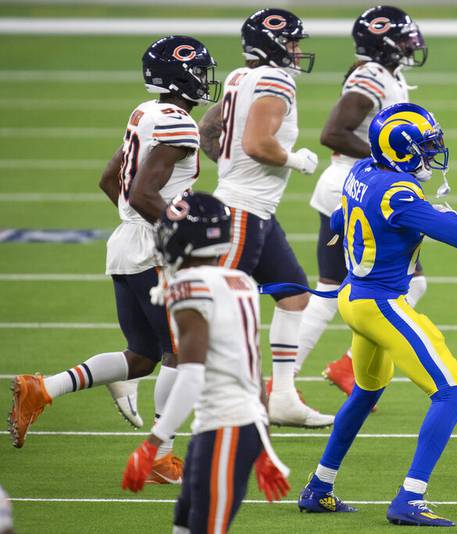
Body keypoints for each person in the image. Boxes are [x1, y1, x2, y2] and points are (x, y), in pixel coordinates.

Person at [8, 35, 220, 485]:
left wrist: (136, 225)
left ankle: (42, 389)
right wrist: (172, 236)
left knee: (142, 357)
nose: (205, 79)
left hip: (128, 243)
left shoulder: (147, 112)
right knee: (179, 353)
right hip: (152, 249)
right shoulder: (178, 125)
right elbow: (143, 192)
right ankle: (162, 458)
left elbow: (111, 180)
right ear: (179, 73)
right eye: (200, 71)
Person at [297, 103, 457, 527]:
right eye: (426, 146)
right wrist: (447, 214)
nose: (432, 153)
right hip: (382, 303)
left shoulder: (361, 170)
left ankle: (319, 487)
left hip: (353, 297)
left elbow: (342, 215)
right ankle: (410, 498)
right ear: (403, 150)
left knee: (366, 392)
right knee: (452, 391)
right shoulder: (400, 193)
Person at [121, 191, 290, 533]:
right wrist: (264, 445)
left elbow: (192, 374)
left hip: (226, 427)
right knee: (183, 525)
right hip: (227, 426)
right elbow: (253, 372)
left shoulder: (191, 285)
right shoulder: (240, 280)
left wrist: (155, 441)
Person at [197, 8, 332, 428]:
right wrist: (295, 160)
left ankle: (284, 398)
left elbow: (208, 129)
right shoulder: (275, 79)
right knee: (220, 311)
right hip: (242, 211)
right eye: (292, 42)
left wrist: (229, 165)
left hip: (256, 209)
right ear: (275, 44)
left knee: (294, 295)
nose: (296, 50)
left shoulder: (240, 76)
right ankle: (215, 409)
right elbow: (258, 142)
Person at [298, 5, 430, 399]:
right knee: (332, 290)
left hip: (359, 186)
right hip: (351, 188)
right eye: (404, 38)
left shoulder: (387, 74)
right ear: (383, 41)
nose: (411, 44)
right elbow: (333, 133)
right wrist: (390, 160)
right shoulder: (369, 77)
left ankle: (346, 367)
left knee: (411, 281)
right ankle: (281, 383)